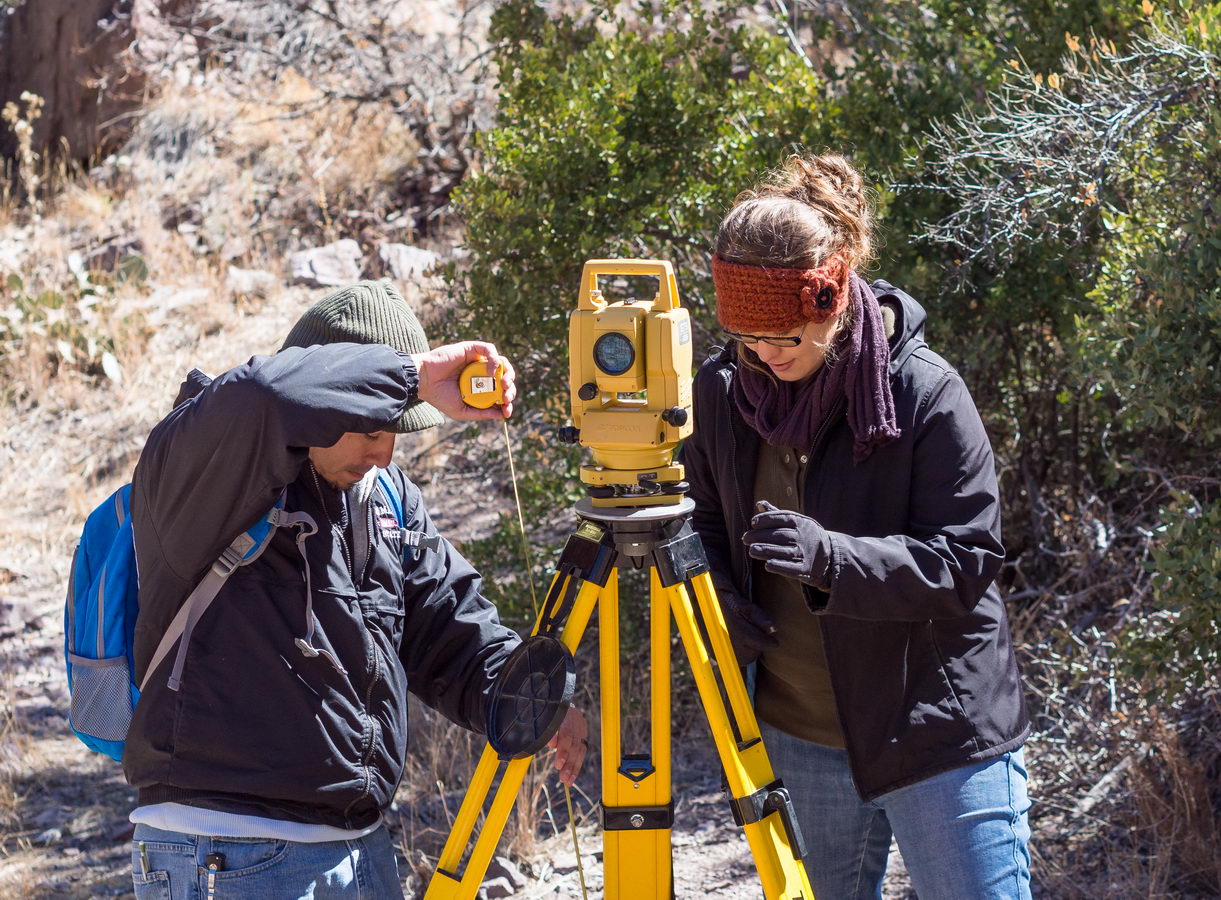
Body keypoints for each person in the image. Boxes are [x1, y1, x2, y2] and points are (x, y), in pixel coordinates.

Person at [124, 280, 587, 898]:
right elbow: (265, 394)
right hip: (225, 855)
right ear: (320, 396)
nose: (382, 447)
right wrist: (415, 374)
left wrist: (531, 694)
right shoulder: (205, 467)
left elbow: (448, 634)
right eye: (366, 422)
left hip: (359, 849)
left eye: (394, 426)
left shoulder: (385, 500)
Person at [681, 155, 1032, 899]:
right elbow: (703, 518)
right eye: (747, 338)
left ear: (829, 297)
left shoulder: (924, 392)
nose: (765, 357)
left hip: (937, 729)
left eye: (781, 336)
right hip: (795, 730)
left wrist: (831, 559)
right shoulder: (722, 391)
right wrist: (717, 595)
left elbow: (966, 560)